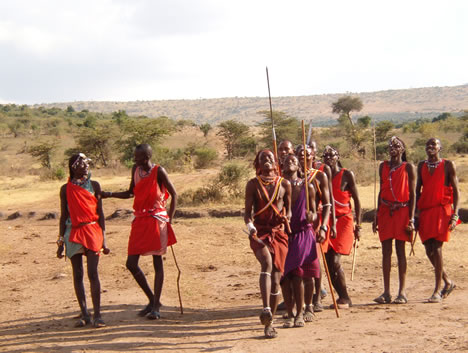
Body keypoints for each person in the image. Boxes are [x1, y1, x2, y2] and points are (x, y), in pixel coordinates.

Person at [101, 144, 177, 319]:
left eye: (138, 157)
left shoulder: (159, 171)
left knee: (157, 262)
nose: (134, 160)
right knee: (131, 263)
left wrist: (170, 219)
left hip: (157, 220)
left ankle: (156, 307)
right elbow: (130, 193)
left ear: (147, 157)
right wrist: (109, 194)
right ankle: (152, 300)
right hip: (140, 220)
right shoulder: (135, 169)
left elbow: (174, 194)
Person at [57, 153, 109, 328]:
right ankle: (85, 314)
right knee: (77, 274)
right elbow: (64, 215)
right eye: (81, 163)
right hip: (73, 232)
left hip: (93, 230)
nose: (86, 165)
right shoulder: (65, 189)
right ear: (73, 167)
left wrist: (105, 240)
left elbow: (101, 214)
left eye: (87, 162)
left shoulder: (94, 185)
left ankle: (98, 315)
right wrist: (60, 242)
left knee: (93, 273)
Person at [244, 149, 291, 339]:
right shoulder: (253, 184)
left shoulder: (284, 183)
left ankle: (269, 323)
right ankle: (265, 308)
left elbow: (289, 210)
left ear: (276, 162)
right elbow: (247, 212)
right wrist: (250, 226)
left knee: (276, 277)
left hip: (279, 233)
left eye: (270, 158)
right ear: (258, 163)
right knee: (267, 264)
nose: (267, 161)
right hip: (260, 232)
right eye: (263, 159)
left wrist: (286, 217)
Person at [372, 136, 416, 304]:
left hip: (402, 211)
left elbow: (412, 195)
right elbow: (381, 190)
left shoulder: (408, 167)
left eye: (396, 145)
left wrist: (411, 219)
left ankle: (402, 292)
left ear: (402, 150)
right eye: (390, 145)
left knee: (400, 251)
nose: (393, 147)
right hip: (385, 210)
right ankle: (386, 292)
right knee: (385, 252)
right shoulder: (383, 166)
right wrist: (376, 214)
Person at [416, 137, 459, 303]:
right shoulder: (422, 165)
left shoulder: (448, 165)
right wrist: (416, 214)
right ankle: (448, 281)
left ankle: (436, 290)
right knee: (428, 249)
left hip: (442, 210)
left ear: (440, 147)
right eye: (428, 145)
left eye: (434, 144)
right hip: (426, 211)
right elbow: (417, 190)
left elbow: (456, 191)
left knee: (438, 248)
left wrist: (455, 215)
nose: (430, 147)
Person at [280, 154, 320, 328]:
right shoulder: (278, 186)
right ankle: (290, 312)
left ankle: (303, 311)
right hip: (285, 234)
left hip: (303, 232)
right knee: (285, 277)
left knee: (301, 273)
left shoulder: (307, 186)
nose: (290, 163)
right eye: (287, 161)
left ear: (299, 166)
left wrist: (313, 215)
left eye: (294, 161)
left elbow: (314, 211)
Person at [323, 146, 361, 308]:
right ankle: (340, 296)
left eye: (332, 155)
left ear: (338, 156)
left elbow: (357, 201)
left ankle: (345, 297)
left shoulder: (347, 174)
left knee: (335, 260)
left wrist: (358, 225)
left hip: (344, 221)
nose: (329, 158)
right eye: (325, 156)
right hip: (328, 221)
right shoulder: (322, 175)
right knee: (327, 261)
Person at [296, 144, 331, 318]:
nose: (304, 158)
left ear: (313, 156)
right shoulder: (290, 178)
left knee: (314, 260)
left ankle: (316, 298)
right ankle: (297, 300)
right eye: (300, 155)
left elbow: (326, 204)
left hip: (314, 223)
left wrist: (323, 226)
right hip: (295, 224)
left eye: (307, 155)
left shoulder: (320, 176)